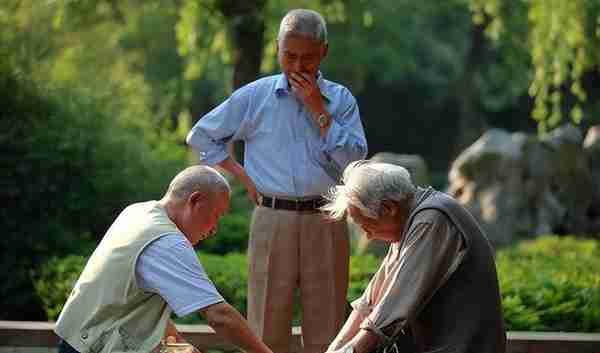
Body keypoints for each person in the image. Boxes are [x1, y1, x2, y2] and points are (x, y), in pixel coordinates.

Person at [186, 8, 368, 353]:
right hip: (271, 217)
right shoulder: (256, 96)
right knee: (266, 327)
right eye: (290, 56)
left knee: (328, 329)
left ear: (324, 52)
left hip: (327, 217)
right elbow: (201, 136)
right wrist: (243, 176)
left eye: (308, 58)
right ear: (277, 48)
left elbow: (355, 162)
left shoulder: (340, 100)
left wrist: (319, 109)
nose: (298, 66)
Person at [54, 166, 273, 353]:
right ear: (195, 200)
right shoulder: (168, 242)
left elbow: (133, 299)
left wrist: (177, 344)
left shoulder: (138, 212)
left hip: (75, 340)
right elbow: (219, 316)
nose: (215, 228)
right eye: (216, 215)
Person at [322, 161, 506, 353]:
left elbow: (390, 310)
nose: (368, 236)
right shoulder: (409, 220)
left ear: (388, 208)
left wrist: (350, 351)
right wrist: (334, 350)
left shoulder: (431, 220)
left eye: (366, 227)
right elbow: (369, 303)